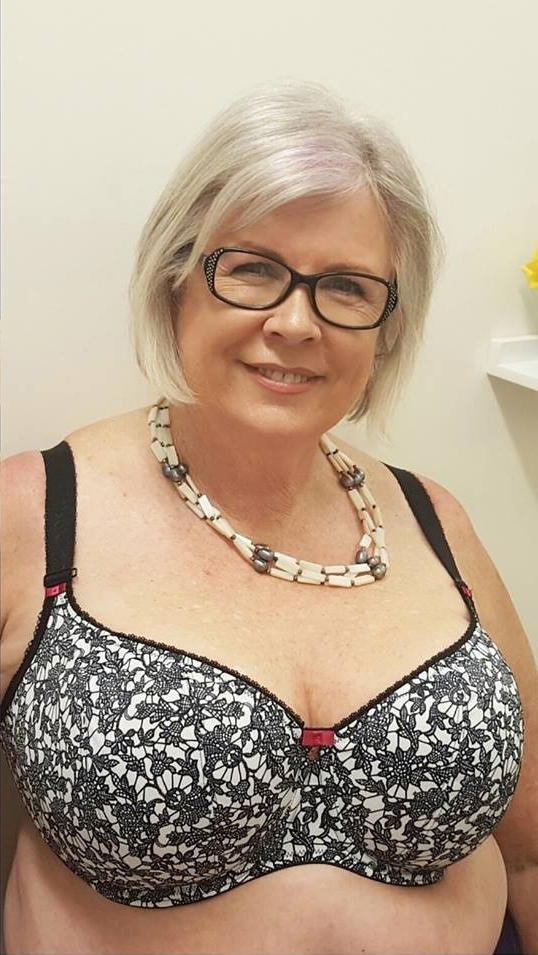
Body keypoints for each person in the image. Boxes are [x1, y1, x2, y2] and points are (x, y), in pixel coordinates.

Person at [1, 81, 536, 955]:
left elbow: (527, 853)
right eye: (252, 269)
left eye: (347, 287)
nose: (295, 323)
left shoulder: (436, 523)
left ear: (384, 326)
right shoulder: (33, 513)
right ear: (176, 283)